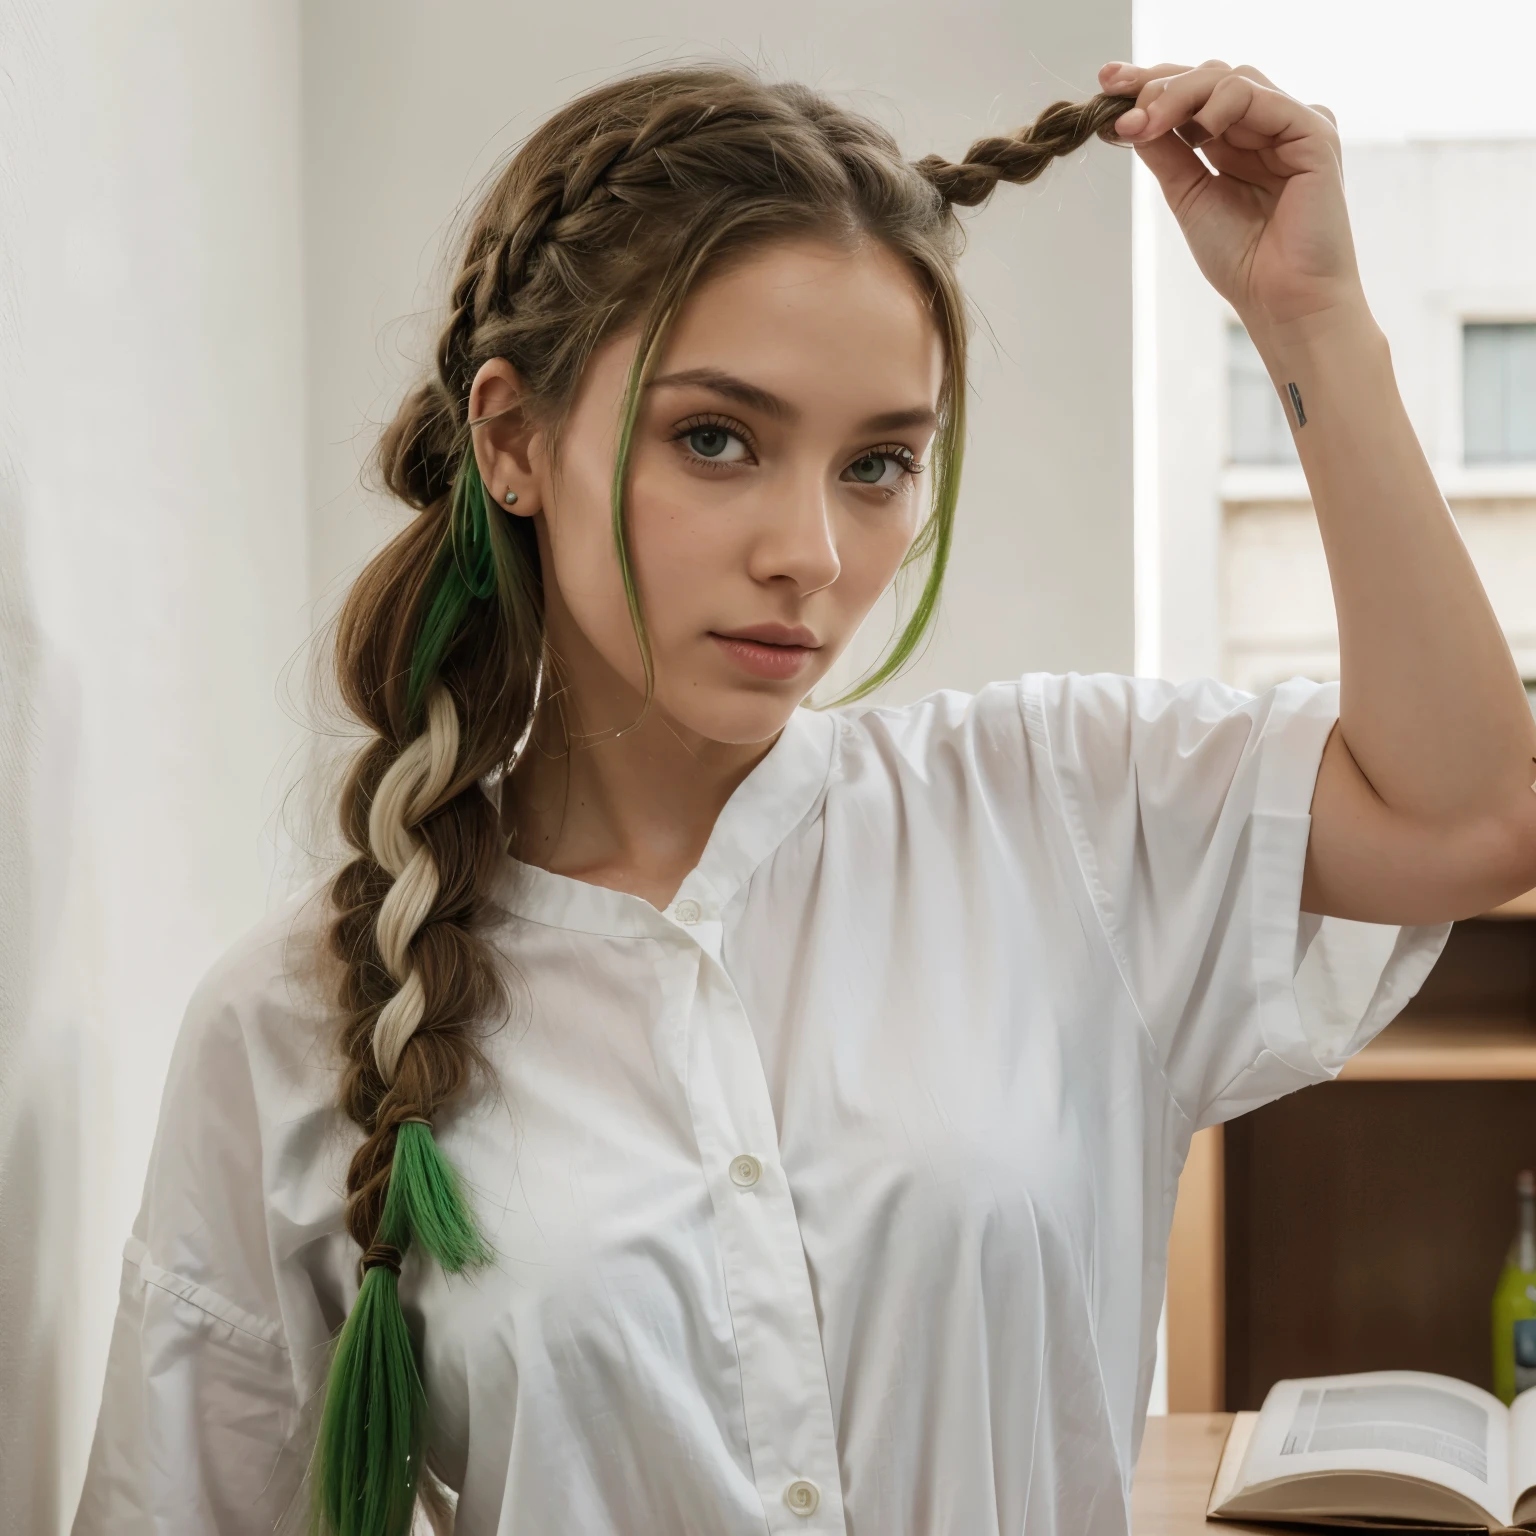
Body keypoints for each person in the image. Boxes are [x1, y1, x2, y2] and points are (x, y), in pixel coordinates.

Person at [71, 57, 1536, 1536]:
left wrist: (1313, 323)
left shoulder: (1062, 811)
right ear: (513, 440)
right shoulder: (291, 1025)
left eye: (879, 464)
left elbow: (1471, 817)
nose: (813, 555)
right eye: (717, 439)